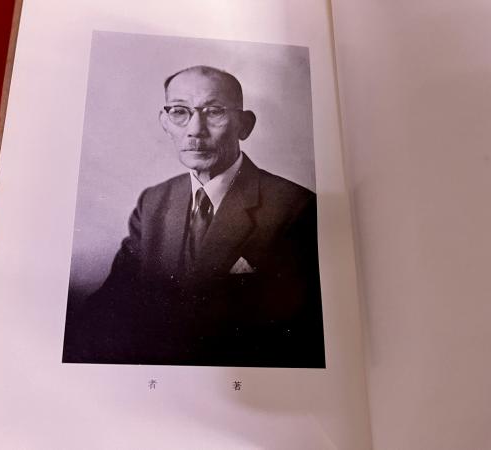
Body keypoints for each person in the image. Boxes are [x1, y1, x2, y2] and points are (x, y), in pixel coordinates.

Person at [63, 65, 324, 368]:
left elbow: (298, 336)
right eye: (179, 112)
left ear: (244, 125)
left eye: (214, 112)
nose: (195, 129)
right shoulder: (153, 202)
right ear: (165, 122)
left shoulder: (295, 207)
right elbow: (112, 304)